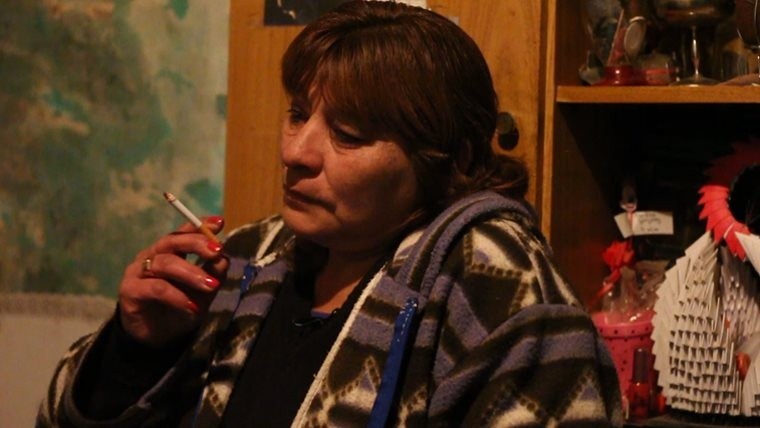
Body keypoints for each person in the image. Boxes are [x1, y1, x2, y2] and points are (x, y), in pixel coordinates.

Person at [37, 1, 623, 426]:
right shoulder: (249, 257)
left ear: (451, 159)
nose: (296, 152)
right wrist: (135, 351)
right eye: (297, 114)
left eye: (348, 134)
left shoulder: (491, 277)